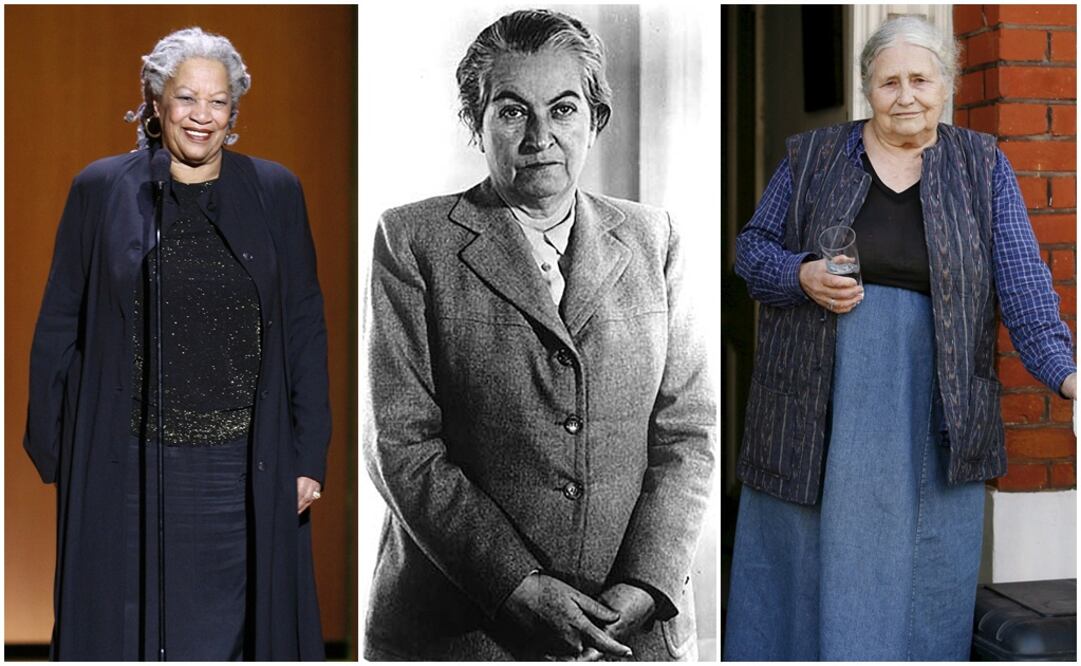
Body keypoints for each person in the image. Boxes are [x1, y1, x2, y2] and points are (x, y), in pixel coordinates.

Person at [362, 9, 715, 661]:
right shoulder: (413, 242)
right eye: (511, 110)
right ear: (477, 122)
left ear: (594, 119)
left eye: (562, 109)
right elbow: (399, 441)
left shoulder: (653, 239)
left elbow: (688, 431)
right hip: (465, 630)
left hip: (628, 630)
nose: (539, 136)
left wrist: (642, 588)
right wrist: (517, 586)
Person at [725, 15, 1077, 661]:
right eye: (889, 81)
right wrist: (799, 275)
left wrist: (1066, 375)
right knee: (803, 562)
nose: (905, 95)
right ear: (867, 88)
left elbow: (1023, 287)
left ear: (946, 84)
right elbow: (750, 251)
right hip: (813, 401)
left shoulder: (980, 167)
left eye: (920, 78)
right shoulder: (812, 157)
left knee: (916, 570)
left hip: (929, 402)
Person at [24, 27, 330, 660]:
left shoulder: (276, 191)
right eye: (186, 98)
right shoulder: (100, 189)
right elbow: (59, 321)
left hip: (241, 470)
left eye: (217, 102)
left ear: (234, 113)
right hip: (126, 463)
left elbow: (304, 324)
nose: (202, 116)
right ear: (156, 105)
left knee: (232, 634)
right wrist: (56, 448)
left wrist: (309, 453)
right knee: (123, 632)